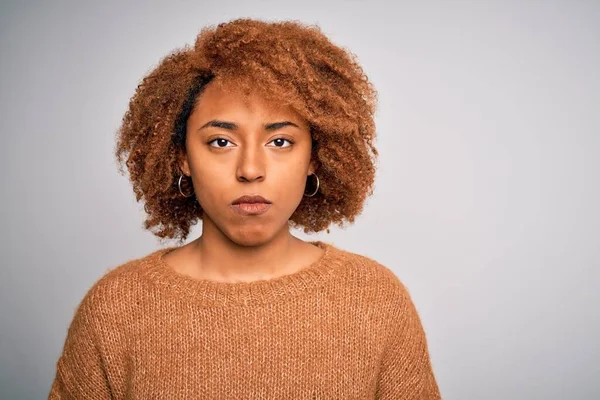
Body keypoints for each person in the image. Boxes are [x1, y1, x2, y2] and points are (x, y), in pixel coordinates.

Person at [48, 18, 441, 399]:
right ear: (182, 156)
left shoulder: (375, 299)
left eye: (280, 142)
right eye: (221, 142)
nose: (251, 170)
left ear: (315, 158)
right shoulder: (115, 308)